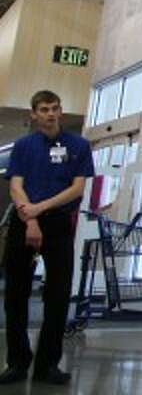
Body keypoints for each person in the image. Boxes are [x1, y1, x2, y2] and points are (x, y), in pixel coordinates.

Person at [1, 90, 95, 386]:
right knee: (16, 294)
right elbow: (16, 185)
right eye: (44, 109)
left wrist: (40, 210)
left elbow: (77, 188)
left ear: (61, 110)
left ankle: (47, 365)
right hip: (24, 220)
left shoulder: (78, 145)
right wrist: (29, 217)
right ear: (33, 113)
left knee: (58, 294)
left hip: (57, 223)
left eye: (55, 108)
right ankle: (17, 361)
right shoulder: (24, 146)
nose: (51, 114)